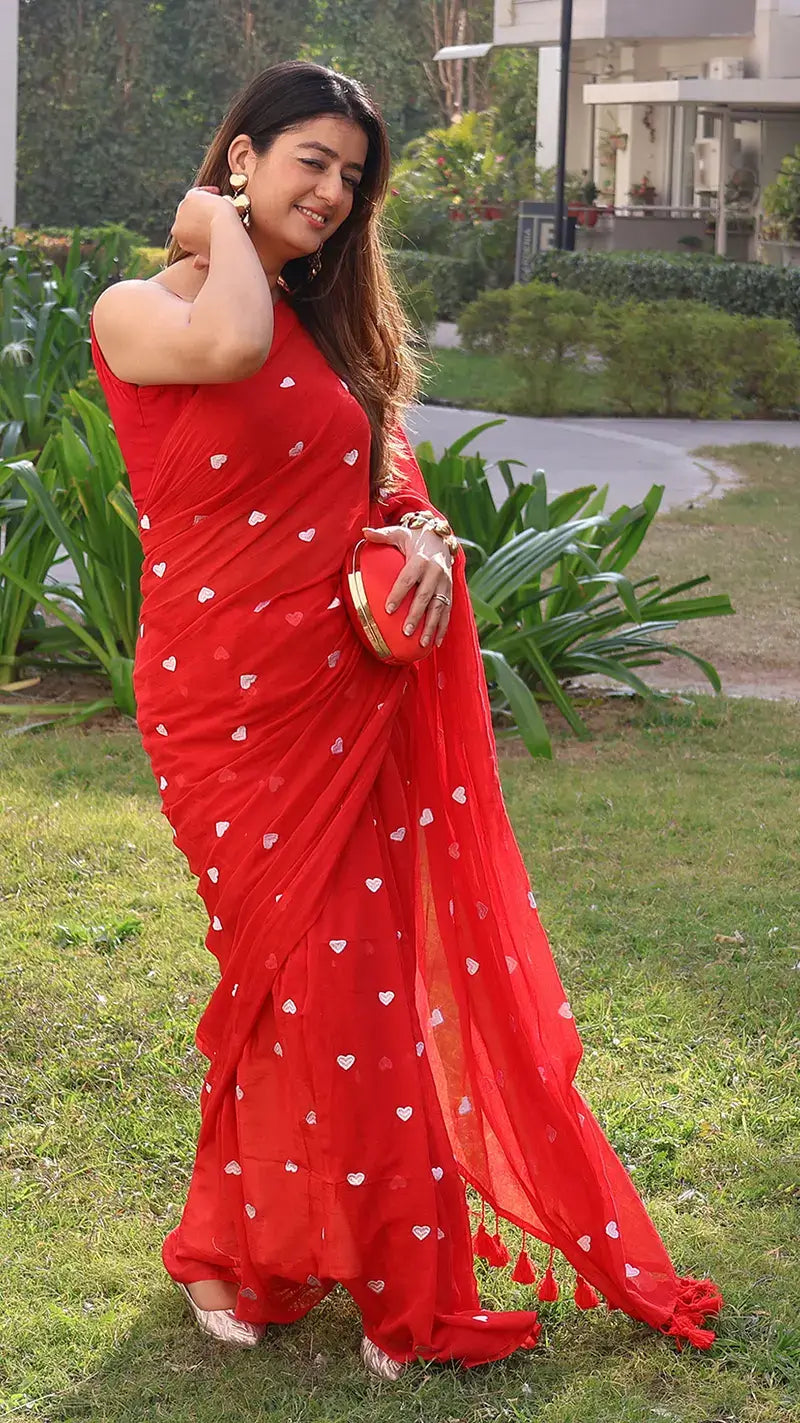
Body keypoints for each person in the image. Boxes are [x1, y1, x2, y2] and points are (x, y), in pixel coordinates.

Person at [89, 60, 723, 1382]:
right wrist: (210, 228)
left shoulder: (328, 334)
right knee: (314, 985)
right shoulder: (141, 305)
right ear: (244, 153)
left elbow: (365, 490)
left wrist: (417, 544)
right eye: (310, 161)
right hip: (227, 709)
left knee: (330, 992)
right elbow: (227, 349)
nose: (332, 192)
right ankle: (380, 1286)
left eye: (352, 177)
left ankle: (249, 1257)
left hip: (345, 695)